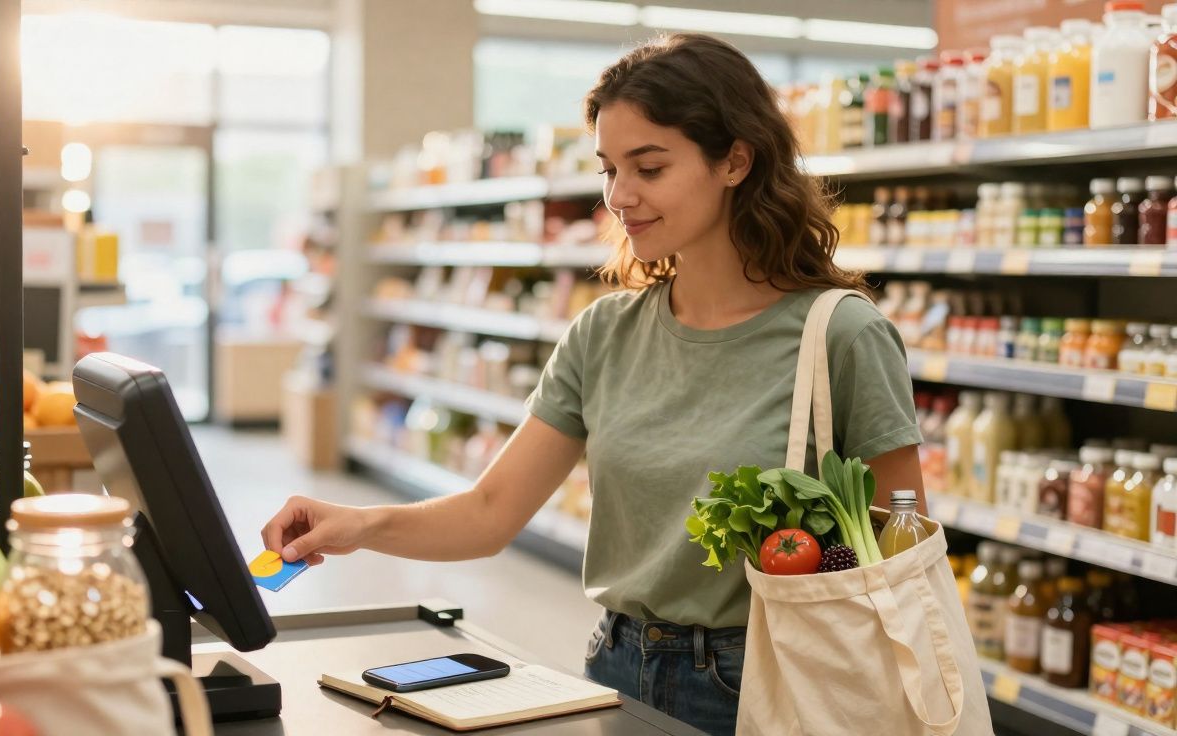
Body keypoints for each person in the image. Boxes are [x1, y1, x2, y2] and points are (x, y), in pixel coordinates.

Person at [262, 33, 925, 736]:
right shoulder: (603, 332)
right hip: (616, 666)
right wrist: (358, 525)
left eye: (649, 167)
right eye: (609, 168)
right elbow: (491, 509)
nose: (619, 196)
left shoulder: (839, 335)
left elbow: (902, 533)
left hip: (772, 677)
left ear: (735, 159)